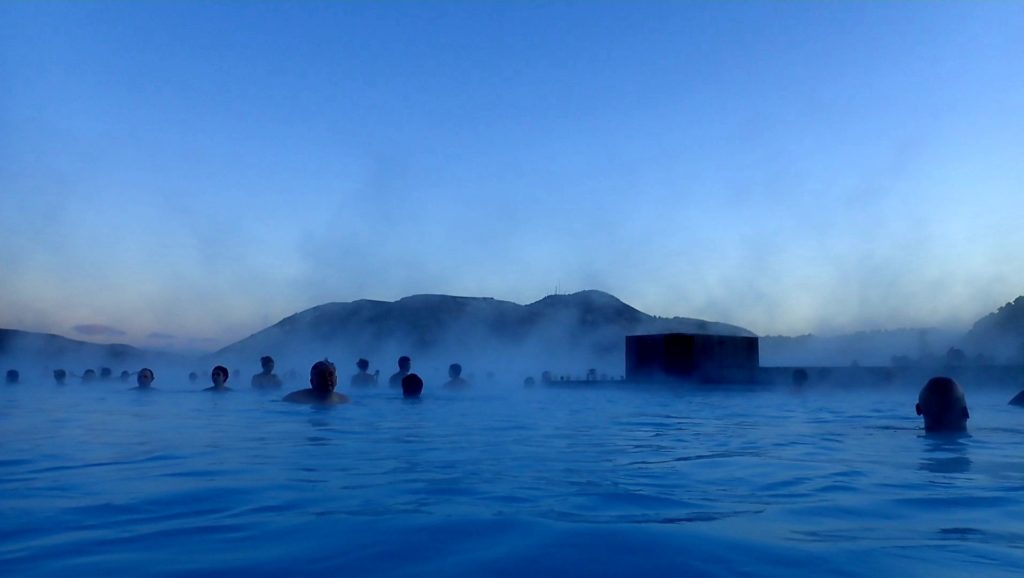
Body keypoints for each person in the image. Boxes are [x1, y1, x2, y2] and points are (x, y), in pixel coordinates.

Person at [283, 359, 350, 405]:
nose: (327, 379)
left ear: (336, 379)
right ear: (312, 382)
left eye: (330, 375)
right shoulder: (294, 399)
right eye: (321, 375)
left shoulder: (344, 401)